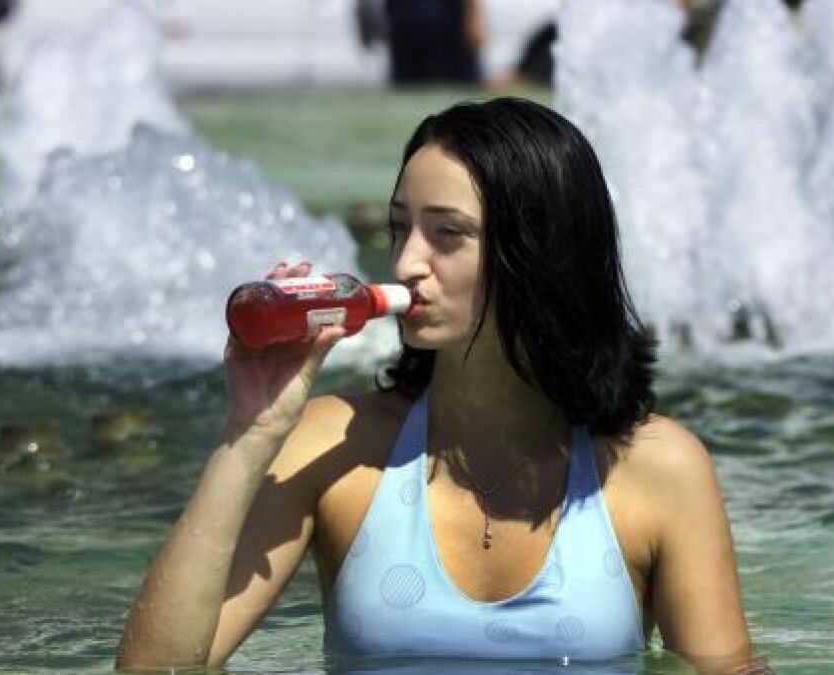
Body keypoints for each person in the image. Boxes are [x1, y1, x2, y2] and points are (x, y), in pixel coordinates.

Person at [116, 97, 771, 674]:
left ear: (539, 253)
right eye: (400, 227)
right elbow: (157, 669)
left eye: (447, 234)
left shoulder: (657, 469)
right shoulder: (335, 447)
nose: (406, 262)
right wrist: (251, 431)